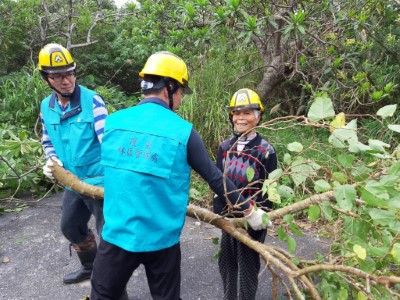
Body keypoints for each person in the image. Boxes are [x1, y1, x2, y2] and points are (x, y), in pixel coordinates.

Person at [90, 51, 271, 300]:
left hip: (115, 238)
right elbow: (214, 177)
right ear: (169, 88)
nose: (181, 100)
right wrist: (249, 211)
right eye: (180, 93)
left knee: (103, 295)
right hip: (160, 242)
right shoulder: (183, 131)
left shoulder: (113, 122)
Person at [38, 43, 107, 284]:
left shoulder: (93, 101)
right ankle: (90, 266)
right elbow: (48, 140)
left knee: (108, 235)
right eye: (57, 76)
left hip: (98, 181)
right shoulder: (46, 107)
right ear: (47, 78)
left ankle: (112, 288)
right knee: (69, 226)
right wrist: (52, 158)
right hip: (71, 181)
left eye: (69, 73)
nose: (65, 80)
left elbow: (106, 141)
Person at [214, 88, 278, 300]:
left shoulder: (266, 150)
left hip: (253, 219)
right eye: (237, 113)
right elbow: (217, 182)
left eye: (247, 113)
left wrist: (262, 217)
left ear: (258, 116)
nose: (241, 118)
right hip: (229, 218)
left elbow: (271, 189)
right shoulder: (225, 147)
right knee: (226, 262)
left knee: (248, 267)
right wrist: (218, 212)